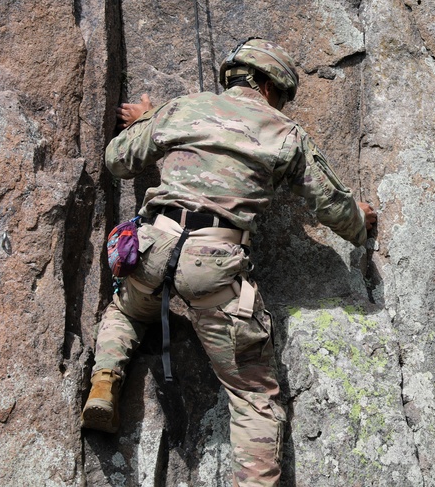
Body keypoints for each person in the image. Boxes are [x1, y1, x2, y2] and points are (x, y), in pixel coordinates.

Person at [81, 38, 377, 486]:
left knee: (126, 308)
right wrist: (362, 224)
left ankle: (105, 380)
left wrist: (149, 122)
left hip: (151, 246)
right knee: (254, 395)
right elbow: (331, 205)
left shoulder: (181, 108)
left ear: (233, 76)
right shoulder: (285, 135)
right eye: (282, 96)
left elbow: (117, 160)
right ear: (269, 85)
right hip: (213, 263)